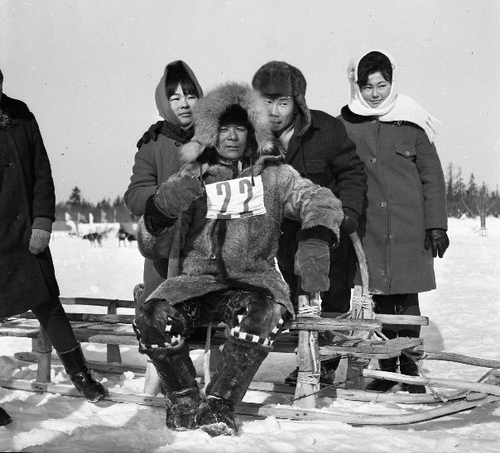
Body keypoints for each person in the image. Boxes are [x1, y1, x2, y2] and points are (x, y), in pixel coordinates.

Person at [133, 82, 344, 436]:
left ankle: (220, 403)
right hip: (195, 284)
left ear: (253, 132)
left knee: (267, 313)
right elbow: (150, 245)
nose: (231, 137)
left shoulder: (274, 175)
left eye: (240, 128)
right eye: (223, 129)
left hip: (253, 282)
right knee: (152, 315)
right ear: (210, 133)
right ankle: (183, 397)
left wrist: (317, 235)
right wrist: (158, 214)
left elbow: (318, 198)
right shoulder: (192, 175)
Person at [337, 50, 449, 393]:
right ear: (358, 87)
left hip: (408, 227)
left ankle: (411, 367)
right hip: (369, 228)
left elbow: (432, 177)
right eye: (368, 86)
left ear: (391, 83)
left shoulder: (413, 123)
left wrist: (437, 225)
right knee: (380, 296)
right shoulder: (345, 124)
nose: (375, 93)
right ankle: (387, 368)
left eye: (381, 85)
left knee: (408, 298)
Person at [0, 69, 106, 426]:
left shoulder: (20, 115)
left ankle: (81, 376)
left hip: (26, 233)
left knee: (48, 303)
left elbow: (41, 170)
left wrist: (43, 221)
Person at [251, 61, 367, 385]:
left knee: (329, 299)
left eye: (283, 103)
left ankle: (324, 365)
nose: (274, 111)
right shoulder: (251, 140)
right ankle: (305, 359)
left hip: (325, 235)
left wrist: (350, 210)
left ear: (297, 102)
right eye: (266, 102)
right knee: (295, 300)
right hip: (281, 240)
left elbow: (352, 172)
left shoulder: (326, 130)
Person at [124, 60, 203, 309]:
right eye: (175, 98)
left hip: (206, 252)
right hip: (165, 255)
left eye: (191, 96)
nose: (185, 104)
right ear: (164, 102)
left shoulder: (215, 138)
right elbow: (134, 196)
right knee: (161, 326)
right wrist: (165, 194)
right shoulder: (153, 143)